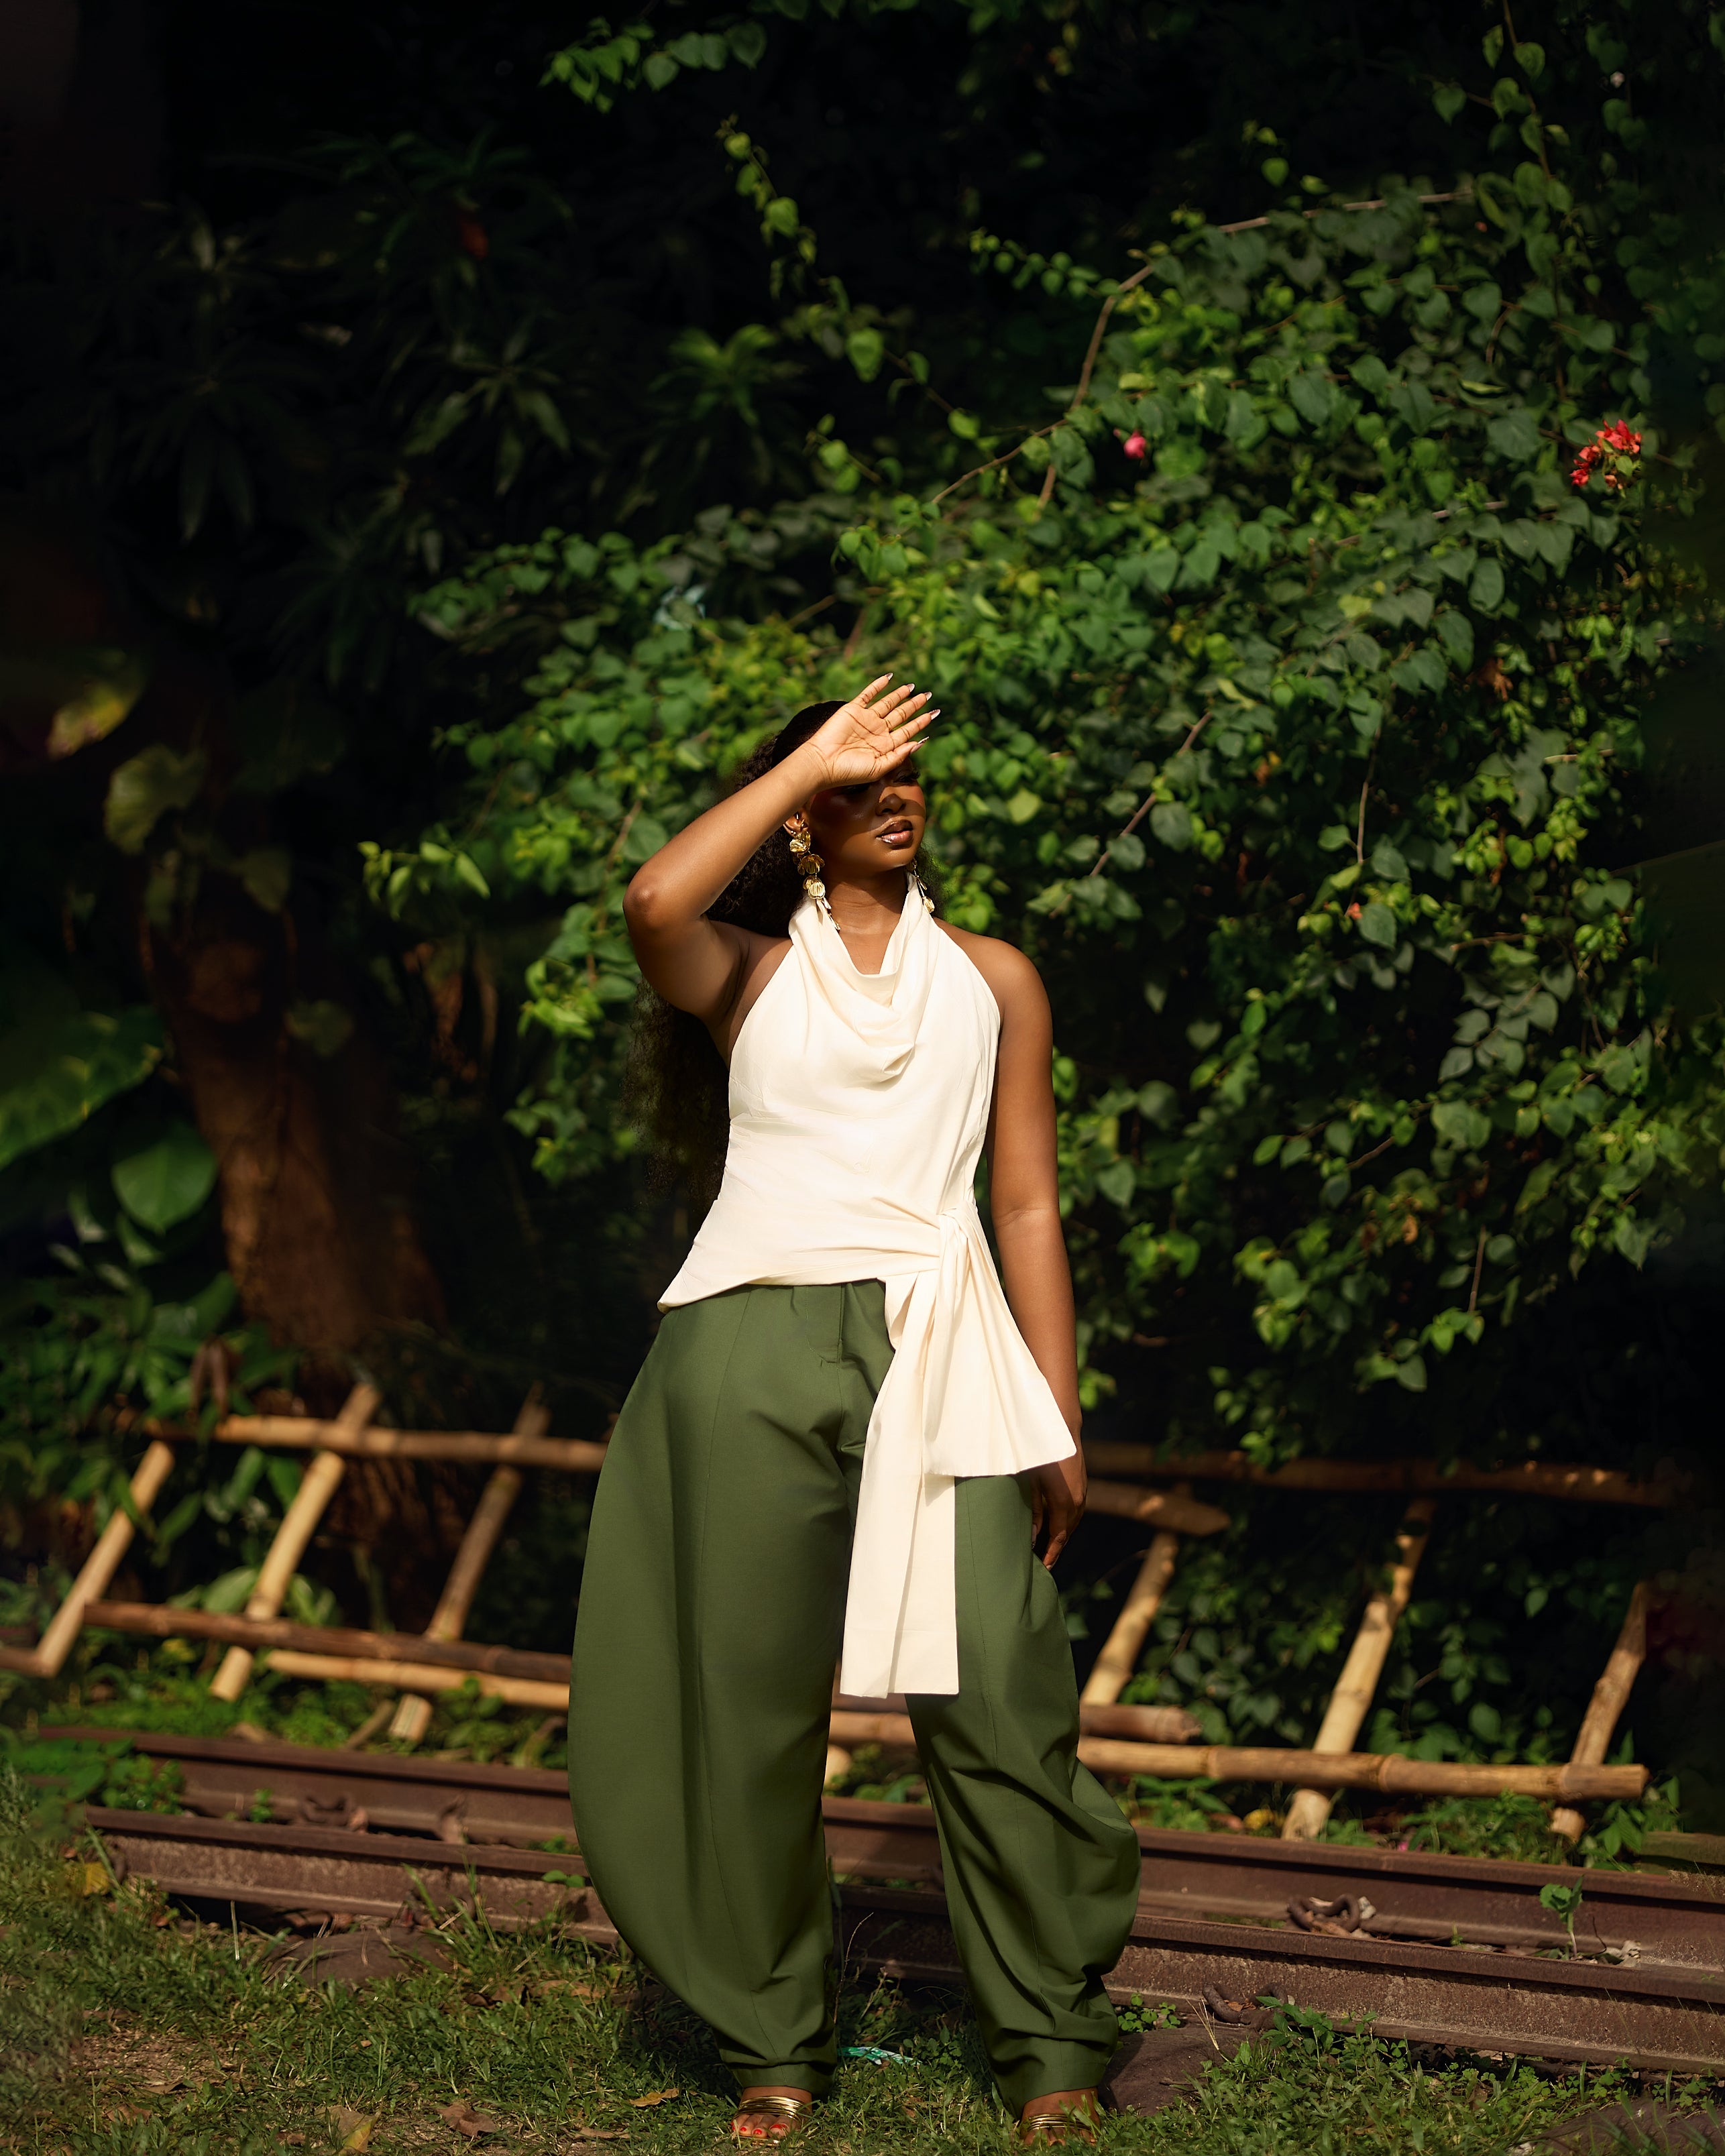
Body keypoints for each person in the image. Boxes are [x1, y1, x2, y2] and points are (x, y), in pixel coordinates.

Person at [568, 677, 1139, 2144]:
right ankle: (773, 2043)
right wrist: (806, 758)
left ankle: (1050, 2050)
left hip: (942, 1348)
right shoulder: (746, 975)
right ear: (802, 819)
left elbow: (1024, 1204)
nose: (894, 796)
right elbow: (652, 900)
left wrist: (1057, 1409)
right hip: (744, 1348)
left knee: (999, 1685)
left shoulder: (996, 979)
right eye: (855, 784)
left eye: (904, 775)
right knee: (746, 1709)